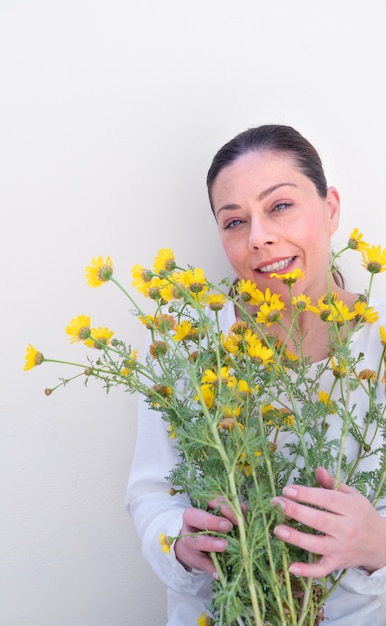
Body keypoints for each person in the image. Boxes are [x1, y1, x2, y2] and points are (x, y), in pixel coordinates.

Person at [125, 124, 386, 625]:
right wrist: (178, 544)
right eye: (234, 221)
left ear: (331, 209)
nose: (260, 237)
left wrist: (376, 542)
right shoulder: (186, 346)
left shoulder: (378, 342)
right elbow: (151, 491)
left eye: (280, 206)